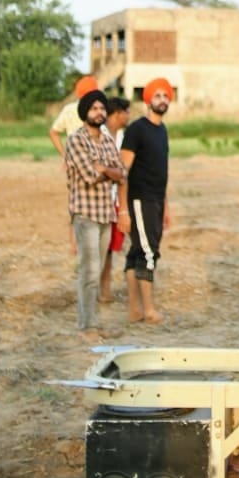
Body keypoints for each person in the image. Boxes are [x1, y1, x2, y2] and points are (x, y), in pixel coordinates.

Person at [64, 88, 127, 338]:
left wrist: (105, 169)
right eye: (94, 108)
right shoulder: (76, 140)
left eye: (102, 108)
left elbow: (122, 173)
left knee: (98, 270)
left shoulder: (108, 140)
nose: (99, 112)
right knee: (89, 271)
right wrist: (106, 170)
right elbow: (90, 176)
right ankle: (86, 326)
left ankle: (95, 323)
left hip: (105, 214)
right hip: (85, 214)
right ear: (85, 113)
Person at [119, 78, 173, 324]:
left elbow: (162, 170)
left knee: (136, 252)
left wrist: (166, 206)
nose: (162, 99)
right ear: (148, 99)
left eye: (166, 95)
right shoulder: (136, 130)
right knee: (149, 253)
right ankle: (148, 310)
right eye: (157, 95)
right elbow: (122, 171)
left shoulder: (162, 131)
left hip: (156, 200)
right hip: (140, 199)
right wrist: (123, 210)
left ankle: (135, 311)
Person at [99, 96, 131, 304]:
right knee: (99, 249)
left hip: (115, 199)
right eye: (126, 112)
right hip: (100, 201)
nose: (129, 116)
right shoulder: (99, 136)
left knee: (110, 248)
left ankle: (104, 291)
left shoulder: (122, 137)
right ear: (117, 114)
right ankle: (98, 289)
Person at [48, 74, 98, 158]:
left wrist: (64, 156)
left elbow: (53, 133)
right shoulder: (100, 110)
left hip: (75, 159)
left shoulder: (69, 109)